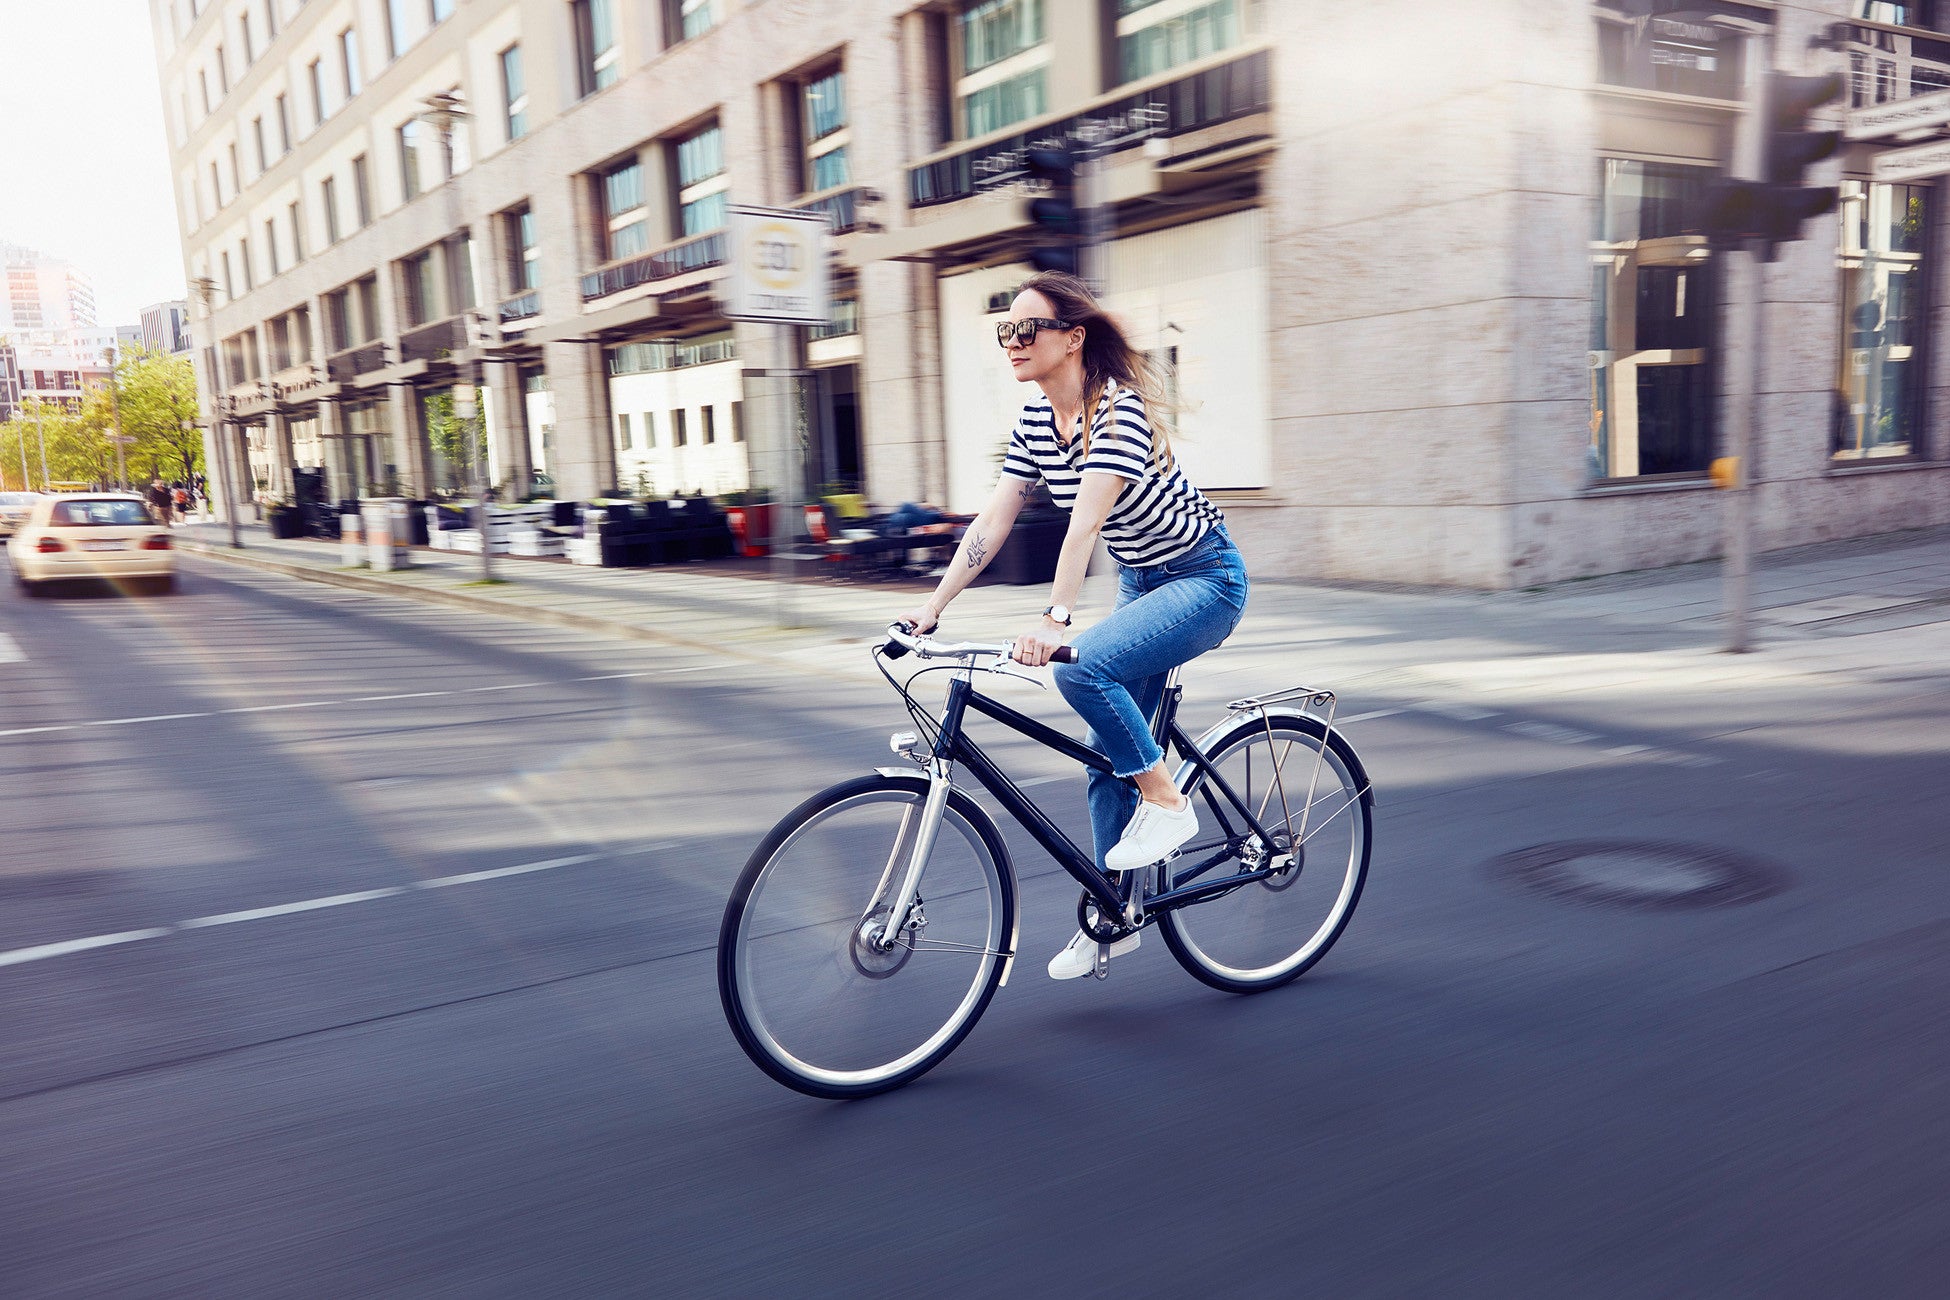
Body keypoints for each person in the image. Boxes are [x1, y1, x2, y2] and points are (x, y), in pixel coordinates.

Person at [898, 270, 1248, 981]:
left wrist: (1055, 621)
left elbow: (1084, 524)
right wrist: (932, 608)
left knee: (1083, 671)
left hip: (1204, 578)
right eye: (1006, 330)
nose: (1013, 341)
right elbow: (994, 521)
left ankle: (1168, 801)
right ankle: (1117, 914)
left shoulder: (1117, 413)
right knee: (1103, 755)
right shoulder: (1036, 421)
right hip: (1143, 581)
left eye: (1028, 329)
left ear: (1073, 338)